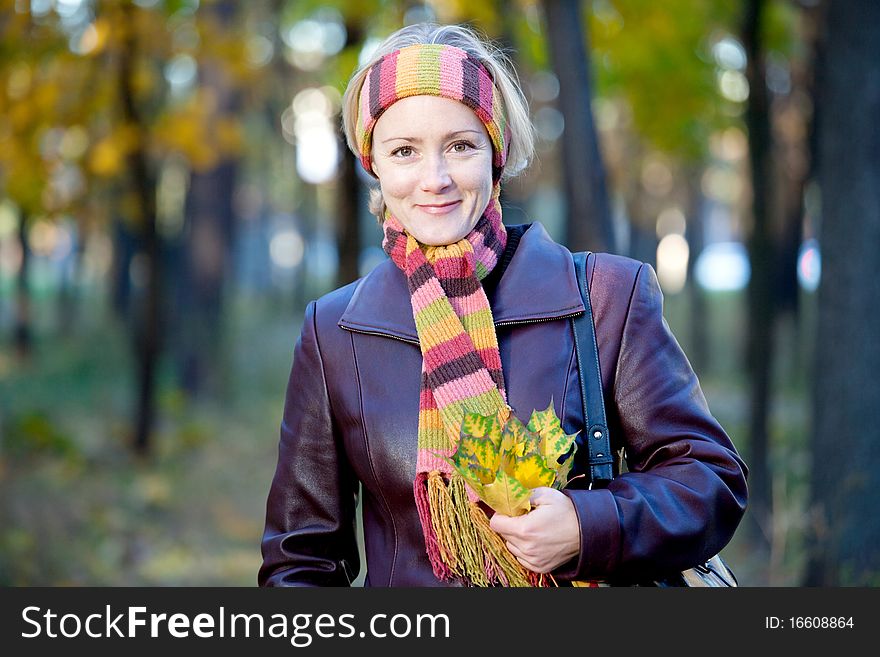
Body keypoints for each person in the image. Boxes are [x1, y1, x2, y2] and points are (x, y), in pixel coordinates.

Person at [258, 22, 748, 587]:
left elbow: (709, 480)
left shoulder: (606, 298)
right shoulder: (336, 330)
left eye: (460, 146)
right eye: (404, 151)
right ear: (375, 165)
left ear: (497, 153)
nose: (434, 179)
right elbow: (302, 560)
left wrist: (588, 527)